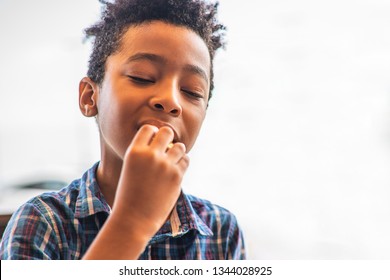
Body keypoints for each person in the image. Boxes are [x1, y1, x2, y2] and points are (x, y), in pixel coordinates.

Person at [0, 0, 245, 260]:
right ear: (89, 97)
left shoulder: (221, 232)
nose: (171, 100)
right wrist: (133, 221)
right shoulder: (41, 222)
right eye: (142, 77)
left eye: (192, 91)